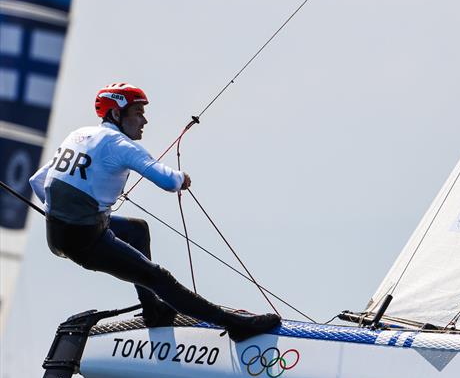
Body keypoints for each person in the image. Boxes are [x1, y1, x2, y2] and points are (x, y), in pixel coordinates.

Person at [29, 82, 280, 342]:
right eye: (138, 113)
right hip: (86, 241)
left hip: (59, 234)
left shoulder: (78, 135)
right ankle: (235, 326)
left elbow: (37, 181)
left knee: (137, 229)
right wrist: (182, 177)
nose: (144, 120)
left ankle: (152, 311)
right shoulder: (119, 144)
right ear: (116, 115)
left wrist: (60, 215)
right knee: (158, 277)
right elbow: (168, 181)